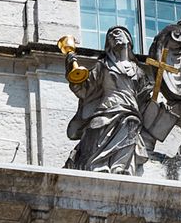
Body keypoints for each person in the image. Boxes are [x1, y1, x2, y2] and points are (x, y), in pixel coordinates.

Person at [63, 27, 155, 176]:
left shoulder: (138, 71)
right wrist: (71, 71)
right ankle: (98, 164)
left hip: (130, 110)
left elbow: (145, 99)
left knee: (130, 127)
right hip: (107, 107)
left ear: (128, 39)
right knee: (98, 127)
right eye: (110, 36)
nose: (114, 36)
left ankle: (121, 167)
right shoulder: (104, 65)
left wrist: (156, 102)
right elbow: (85, 90)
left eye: (118, 33)